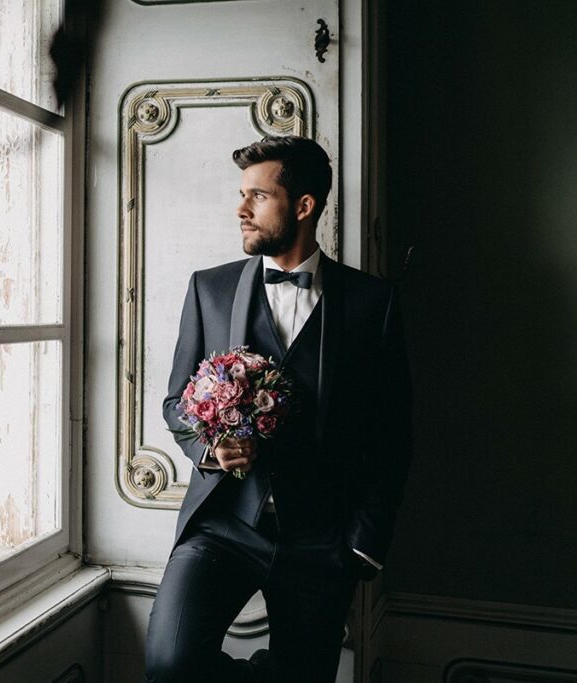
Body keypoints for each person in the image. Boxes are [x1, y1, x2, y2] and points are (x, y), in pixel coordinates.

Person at [144, 136, 413, 682]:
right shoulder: (209, 290)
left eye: (258, 196)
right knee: (170, 665)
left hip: (323, 535)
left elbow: (393, 433)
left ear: (304, 205)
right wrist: (210, 448)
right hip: (223, 524)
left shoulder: (371, 303)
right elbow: (176, 402)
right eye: (241, 195)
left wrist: (365, 542)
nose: (240, 210)